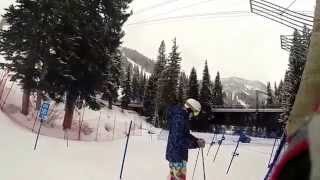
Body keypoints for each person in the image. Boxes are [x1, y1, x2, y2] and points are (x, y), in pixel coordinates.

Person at [166, 98, 206, 180]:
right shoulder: (179, 118)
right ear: (190, 109)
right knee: (178, 178)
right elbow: (178, 140)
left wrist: (196, 140)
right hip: (176, 155)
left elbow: (185, 135)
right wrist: (195, 144)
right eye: (194, 113)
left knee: (175, 178)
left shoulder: (182, 117)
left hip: (178, 154)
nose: (193, 116)